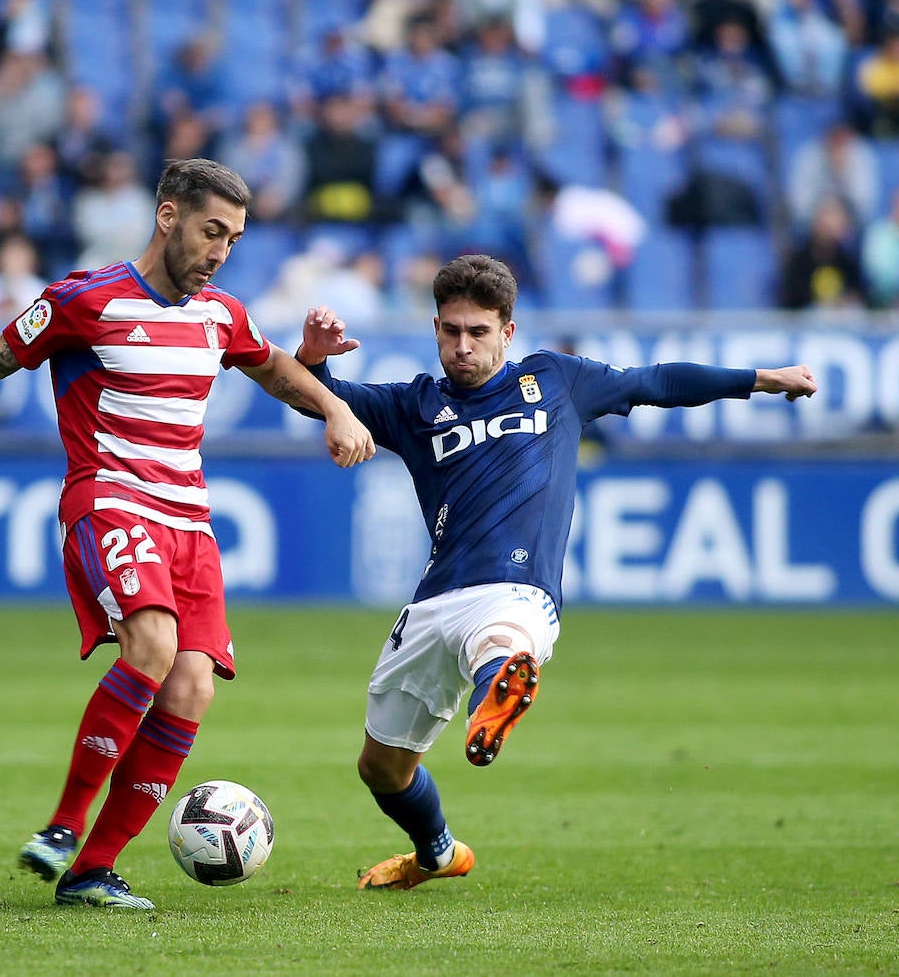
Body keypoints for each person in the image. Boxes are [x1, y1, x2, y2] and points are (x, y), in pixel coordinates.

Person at [0, 158, 375, 910]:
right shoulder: (87, 299)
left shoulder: (221, 315)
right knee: (151, 641)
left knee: (192, 686)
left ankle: (92, 872)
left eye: (235, 240)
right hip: (109, 499)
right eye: (212, 232)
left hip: (190, 523)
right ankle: (63, 827)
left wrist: (335, 408)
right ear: (168, 216)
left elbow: (273, 367)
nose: (220, 252)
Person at [290, 254, 816, 891]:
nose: (463, 346)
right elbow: (322, 401)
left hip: (519, 591)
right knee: (381, 768)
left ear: (507, 331)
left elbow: (656, 381)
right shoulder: (414, 406)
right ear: (434, 329)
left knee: (503, 640)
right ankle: (438, 852)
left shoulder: (557, 381)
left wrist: (759, 378)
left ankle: (496, 700)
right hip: (434, 600)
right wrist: (314, 360)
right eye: (451, 331)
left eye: (478, 332)